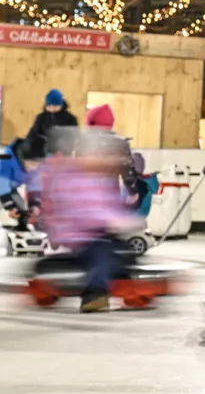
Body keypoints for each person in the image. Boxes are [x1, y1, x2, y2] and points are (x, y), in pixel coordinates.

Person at [38, 124, 141, 312]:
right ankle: (94, 294)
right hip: (82, 235)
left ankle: (124, 281)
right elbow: (87, 210)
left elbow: (107, 205)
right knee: (103, 255)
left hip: (89, 232)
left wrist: (122, 218)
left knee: (121, 251)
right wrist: (113, 221)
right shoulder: (75, 178)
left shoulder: (86, 177)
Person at [22, 88, 78, 160]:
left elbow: (73, 136)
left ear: (61, 105)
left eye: (55, 106)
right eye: (49, 106)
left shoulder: (70, 119)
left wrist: (65, 149)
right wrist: (28, 144)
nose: (52, 109)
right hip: (44, 151)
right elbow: (33, 132)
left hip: (62, 153)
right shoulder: (42, 118)